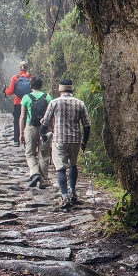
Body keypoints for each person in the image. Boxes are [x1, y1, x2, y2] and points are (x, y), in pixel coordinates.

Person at [40, 79, 90, 207]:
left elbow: (46, 121)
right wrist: (84, 140)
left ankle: (65, 196)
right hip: (75, 140)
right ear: (71, 89)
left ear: (60, 89)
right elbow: (86, 125)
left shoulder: (54, 102)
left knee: (60, 168)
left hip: (59, 140)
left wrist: (42, 134)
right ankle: (73, 192)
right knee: (73, 165)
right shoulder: (80, 103)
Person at [19, 76, 52, 188]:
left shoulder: (26, 97)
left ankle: (35, 172)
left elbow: (22, 117)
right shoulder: (47, 97)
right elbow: (50, 116)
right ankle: (43, 181)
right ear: (41, 85)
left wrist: (21, 133)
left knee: (30, 153)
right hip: (45, 128)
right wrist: (53, 130)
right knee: (44, 155)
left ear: (31, 85)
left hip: (31, 128)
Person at [4, 61, 32, 145]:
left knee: (16, 121)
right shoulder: (30, 77)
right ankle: (26, 139)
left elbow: (10, 92)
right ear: (27, 68)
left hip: (17, 102)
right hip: (28, 102)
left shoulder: (15, 78)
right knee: (27, 120)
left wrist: (5, 90)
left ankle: (16, 140)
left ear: (19, 68)